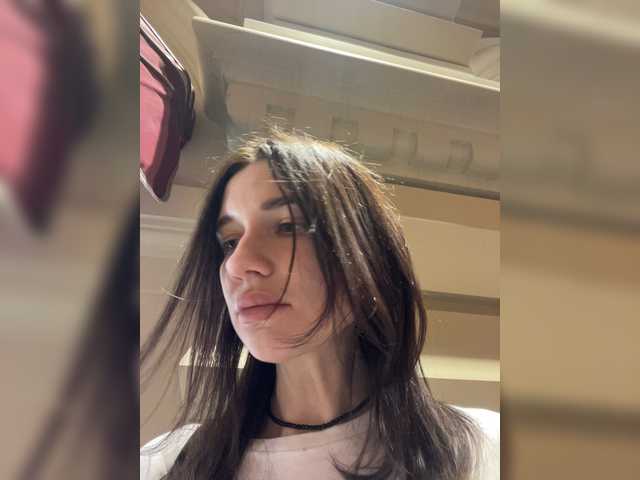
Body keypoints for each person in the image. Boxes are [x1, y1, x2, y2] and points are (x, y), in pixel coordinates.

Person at [140, 130, 499, 479]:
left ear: (368, 258)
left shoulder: (483, 451)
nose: (237, 264)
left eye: (286, 226)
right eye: (230, 242)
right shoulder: (167, 465)